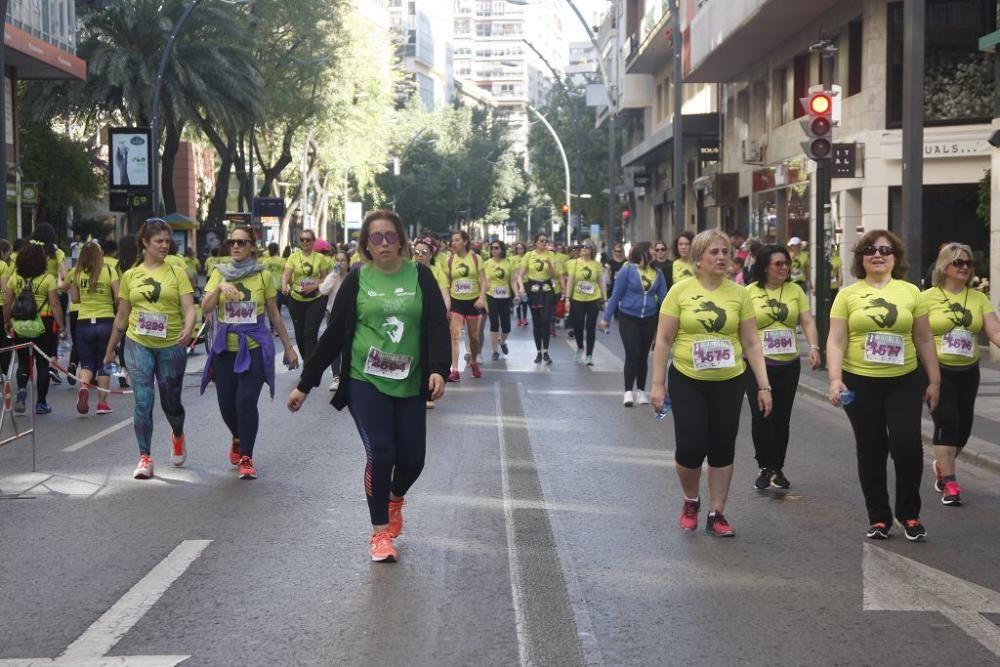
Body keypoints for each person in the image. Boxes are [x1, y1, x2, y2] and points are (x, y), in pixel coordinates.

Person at [287, 210, 449, 563]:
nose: (385, 243)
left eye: (391, 236)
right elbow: (332, 337)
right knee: (381, 452)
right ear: (366, 246)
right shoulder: (357, 281)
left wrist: (438, 369)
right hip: (365, 378)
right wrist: (305, 384)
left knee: (412, 461)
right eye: (377, 237)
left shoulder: (421, 277)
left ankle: (395, 498)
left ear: (403, 241)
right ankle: (379, 533)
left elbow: (437, 325)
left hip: (410, 380)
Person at [650, 229, 773, 537]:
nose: (722, 258)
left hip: (729, 380)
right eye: (714, 252)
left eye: (725, 252)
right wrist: (657, 384)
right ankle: (691, 500)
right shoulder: (680, 291)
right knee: (690, 447)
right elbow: (663, 340)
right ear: (698, 259)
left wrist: (763, 385)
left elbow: (752, 343)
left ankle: (717, 513)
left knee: (722, 447)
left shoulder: (739, 294)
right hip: (688, 378)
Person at [827, 230, 939, 541]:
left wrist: (934, 380)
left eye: (885, 250)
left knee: (907, 446)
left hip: (903, 379)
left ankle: (909, 514)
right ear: (861, 258)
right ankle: (879, 517)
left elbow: (924, 338)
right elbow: (836, 340)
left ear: (896, 257)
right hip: (859, 381)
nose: (878, 255)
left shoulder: (910, 292)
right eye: (870, 250)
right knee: (871, 448)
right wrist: (835, 379)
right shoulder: (847, 295)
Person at [201, 226, 298, 479]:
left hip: (255, 345)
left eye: (242, 242)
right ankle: (237, 435)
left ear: (252, 247)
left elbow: (274, 314)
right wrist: (220, 288)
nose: (236, 246)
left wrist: (288, 348)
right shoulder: (219, 273)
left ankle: (246, 456)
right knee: (226, 405)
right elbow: (205, 308)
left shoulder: (263, 275)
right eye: (233, 241)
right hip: (226, 348)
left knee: (245, 402)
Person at [103, 219, 196, 480]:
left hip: (171, 345)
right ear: (145, 243)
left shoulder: (177, 272)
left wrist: (188, 329)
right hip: (137, 342)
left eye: (168, 241)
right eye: (159, 241)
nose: (165, 246)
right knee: (143, 401)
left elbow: (189, 308)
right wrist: (110, 349)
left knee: (171, 403)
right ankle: (145, 457)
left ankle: (177, 435)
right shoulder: (130, 276)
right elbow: (122, 315)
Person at [924, 243, 1000, 506]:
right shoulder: (927, 298)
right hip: (937, 370)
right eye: (958, 262)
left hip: (968, 371)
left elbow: (994, 331)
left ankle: (943, 466)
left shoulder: (978, 298)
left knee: (964, 428)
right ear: (945, 266)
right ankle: (951, 484)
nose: (965, 267)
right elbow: (915, 334)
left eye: (968, 263)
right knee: (947, 423)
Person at [745, 244, 821, 490]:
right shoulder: (748, 292)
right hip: (758, 365)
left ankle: (778, 467)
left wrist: (814, 347)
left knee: (781, 417)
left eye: (786, 263)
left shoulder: (795, 290)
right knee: (761, 416)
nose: (784, 268)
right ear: (765, 266)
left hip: (788, 364)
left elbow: (807, 321)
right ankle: (763, 466)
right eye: (778, 264)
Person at [599, 242, 667, 406]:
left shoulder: (657, 273)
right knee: (632, 353)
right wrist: (605, 318)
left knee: (643, 355)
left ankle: (641, 391)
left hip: (649, 318)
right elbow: (616, 295)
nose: (654, 252)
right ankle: (628, 391)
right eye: (651, 250)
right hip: (628, 317)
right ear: (643, 252)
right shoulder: (627, 270)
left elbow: (664, 299)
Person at [3, 242, 64, 414]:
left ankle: (22, 390)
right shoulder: (48, 279)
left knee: (23, 361)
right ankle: (41, 403)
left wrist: (6, 322)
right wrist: (61, 326)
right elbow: (55, 304)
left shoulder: (15, 278)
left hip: (21, 324)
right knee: (42, 364)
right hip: (43, 323)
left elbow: (8, 302)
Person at [67, 242, 119, 415]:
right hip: (106, 321)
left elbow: (74, 299)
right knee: (105, 362)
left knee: (87, 363)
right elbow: (118, 297)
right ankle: (102, 404)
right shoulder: (109, 271)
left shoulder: (77, 273)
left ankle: (83, 387)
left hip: (84, 322)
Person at [281, 229, 331, 363]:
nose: (305, 242)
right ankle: (307, 361)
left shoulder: (321, 258)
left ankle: (309, 367)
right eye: (302, 239)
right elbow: (286, 274)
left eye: (308, 239)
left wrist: (314, 286)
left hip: (316, 300)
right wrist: (284, 285)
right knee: (300, 335)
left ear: (313, 242)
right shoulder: (293, 257)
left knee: (310, 333)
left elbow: (325, 279)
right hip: (296, 300)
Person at [445, 230, 487, 380]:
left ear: (465, 241)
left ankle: (474, 361)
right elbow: (447, 283)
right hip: (456, 301)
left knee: (474, 337)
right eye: (452, 240)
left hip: (473, 301)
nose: (453, 243)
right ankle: (454, 369)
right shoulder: (450, 260)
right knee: (455, 335)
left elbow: (483, 281)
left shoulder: (476, 258)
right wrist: (447, 304)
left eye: (457, 240)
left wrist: (482, 298)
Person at [517, 233, 558, 364]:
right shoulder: (529, 255)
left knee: (546, 320)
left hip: (546, 287)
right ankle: (539, 353)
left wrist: (549, 265)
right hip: (533, 288)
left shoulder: (550, 254)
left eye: (546, 241)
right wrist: (521, 288)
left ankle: (546, 351)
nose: (544, 243)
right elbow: (520, 275)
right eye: (541, 240)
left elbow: (554, 274)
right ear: (536, 242)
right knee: (536, 321)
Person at [565, 241, 606, 366]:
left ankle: (589, 355)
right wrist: (567, 298)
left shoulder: (597, 265)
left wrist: (604, 298)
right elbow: (570, 281)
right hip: (577, 299)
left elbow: (601, 281)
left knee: (590, 327)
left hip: (593, 299)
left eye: (587, 247)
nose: (583, 249)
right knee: (578, 326)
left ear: (592, 250)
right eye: (582, 247)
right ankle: (580, 347)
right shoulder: (574, 263)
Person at [484, 240, 514, 361]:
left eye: (496, 248)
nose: (494, 250)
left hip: (505, 296)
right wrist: (483, 296)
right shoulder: (487, 263)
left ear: (502, 249)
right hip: (491, 296)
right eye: (492, 248)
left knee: (506, 326)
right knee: (494, 324)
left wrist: (517, 293)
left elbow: (512, 280)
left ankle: (502, 341)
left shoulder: (508, 263)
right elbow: (486, 281)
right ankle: (495, 351)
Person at [602, 243, 627, 316]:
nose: (618, 253)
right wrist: (608, 280)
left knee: (623, 297)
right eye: (616, 251)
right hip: (614, 282)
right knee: (614, 297)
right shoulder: (611, 261)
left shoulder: (626, 261)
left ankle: (623, 312)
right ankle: (616, 312)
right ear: (614, 251)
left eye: (619, 251)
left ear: (622, 251)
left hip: (624, 283)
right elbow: (608, 271)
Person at [511, 242, 529, 326]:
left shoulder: (527, 258)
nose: (519, 250)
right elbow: (511, 270)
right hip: (516, 283)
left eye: (521, 248)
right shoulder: (513, 259)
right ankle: (519, 318)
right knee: (517, 301)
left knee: (525, 301)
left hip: (526, 282)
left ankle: (525, 318)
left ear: (524, 249)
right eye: (517, 248)